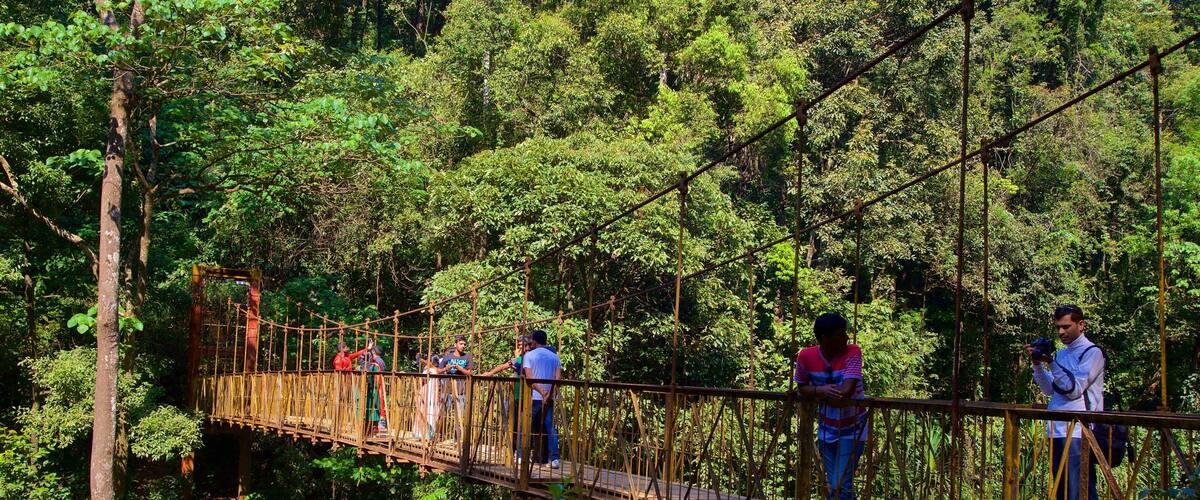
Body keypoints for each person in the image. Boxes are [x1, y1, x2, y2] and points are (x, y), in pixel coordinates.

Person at [1026, 304, 1104, 500]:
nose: (1062, 332)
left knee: (1078, 490)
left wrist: (1051, 363)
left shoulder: (1092, 353)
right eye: (1058, 327)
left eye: (1066, 326)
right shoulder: (1062, 354)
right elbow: (1049, 389)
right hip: (1057, 429)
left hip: (1079, 431)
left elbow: (1074, 389)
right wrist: (1038, 365)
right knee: (1063, 490)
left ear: (1081, 324)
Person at [791, 313, 867, 500]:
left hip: (854, 429)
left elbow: (846, 391)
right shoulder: (806, 356)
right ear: (825, 338)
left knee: (840, 484)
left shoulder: (853, 352)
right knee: (837, 485)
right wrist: (821, 390)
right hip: (827, 430)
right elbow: (801, 387)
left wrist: (817, 392)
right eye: (840, 334)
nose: (846, 338)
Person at [482, 336, 530, 461]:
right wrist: (490, 373)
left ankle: (522, 454)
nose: (519, 348)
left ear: (528, 345)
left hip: (528, 395)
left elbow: (524, 371)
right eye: (518, 345)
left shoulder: (530, 358)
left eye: (521, 345)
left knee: (524, 426)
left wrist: (516, 360)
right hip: (516, 395)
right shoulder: (518, 359)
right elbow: (503, 366)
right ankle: (513, 452)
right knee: (513, 425)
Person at [522, 329, 561, 469]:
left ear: (535, 341)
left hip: (535, 397)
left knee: (530, 426)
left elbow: (530, 378)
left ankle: (525, 456)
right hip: (549, 398)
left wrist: (541, 392)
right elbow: (558, 379)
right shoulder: (555, 357)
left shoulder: (529, 356)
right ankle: (554, 458)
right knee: (550, 427)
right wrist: (549, 394)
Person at [439, 336, 475, 441]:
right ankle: (440, 436)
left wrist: (459, 368)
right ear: (456, 344)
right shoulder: (447, 357)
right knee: (443, 413)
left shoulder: (467, 357)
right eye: (461, 344)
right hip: (447, 390)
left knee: (460, 416)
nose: (463, 346)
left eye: (464, 344)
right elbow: (438, 371)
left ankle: (457, 439)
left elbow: (470, 373)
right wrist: (447, 368)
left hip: (461, 391)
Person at [412, 353, 442, 440]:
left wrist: (418, 392)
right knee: (431, 413)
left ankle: (423, 433)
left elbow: (422, 381)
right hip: (432, 393)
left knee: (424, 413)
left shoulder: (429, 371)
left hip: (427, 393)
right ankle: (430, 434)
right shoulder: (436, 370)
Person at [365, 345, 388, 436]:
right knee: (379, 406)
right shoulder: (381, 362)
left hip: (374, 387)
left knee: (373, 407)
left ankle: (372, 430)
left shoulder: (375, 363)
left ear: (374, 352)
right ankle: (376, 429)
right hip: (379, 386)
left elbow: (375, 376)